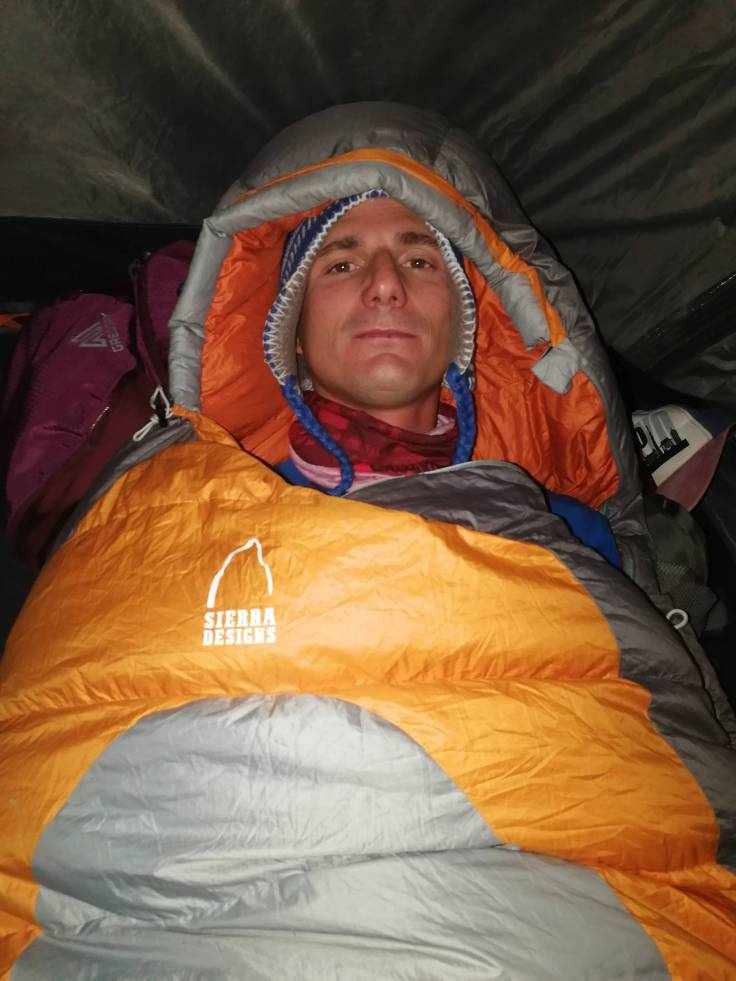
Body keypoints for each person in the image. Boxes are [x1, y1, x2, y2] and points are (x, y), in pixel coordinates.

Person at [263, 189, 620, 564]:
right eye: (342, 266)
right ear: (294, 330)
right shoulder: (237, 524)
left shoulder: (572, 534)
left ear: (458, 326)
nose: (385, 284)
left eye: (418, 262)